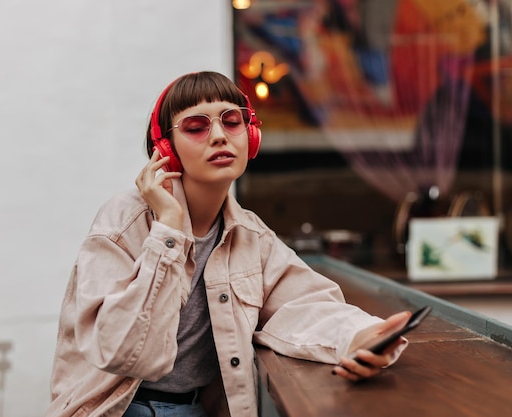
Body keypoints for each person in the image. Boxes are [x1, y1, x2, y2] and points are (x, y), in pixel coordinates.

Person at [45, 71, 410, 417]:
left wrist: (360, 338)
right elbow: (127, 353)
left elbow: (306, 303)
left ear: (250, 136)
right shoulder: (124, 221)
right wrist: (169, 231)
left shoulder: (251, 237)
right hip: (118, 408)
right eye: (196, 127)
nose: (219, 136)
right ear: (165, 150)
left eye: (231, 121)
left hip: (194, 408)